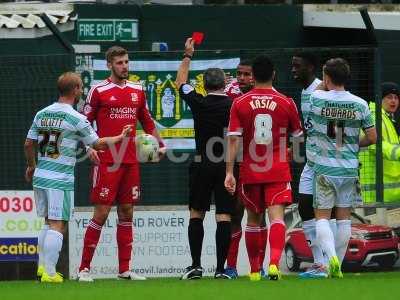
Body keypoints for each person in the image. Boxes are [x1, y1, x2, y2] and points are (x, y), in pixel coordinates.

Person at [24, 72, 133, 283]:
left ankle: (41, 269)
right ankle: (50, 272)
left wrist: (31, 166)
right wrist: (121, 136)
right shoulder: (77, 118)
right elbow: (98, 144)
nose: (82, 90)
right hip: (60, 178)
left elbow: (29, 143)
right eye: (80, 87)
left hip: (41, 175)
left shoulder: (41, 113)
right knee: (58, 224)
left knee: (48, 222)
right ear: (74, 89)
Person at [77, 46, 166, 282]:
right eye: (119, 63)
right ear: (109, 65)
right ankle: (84, 269)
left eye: (126, 62)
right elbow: (84, 124)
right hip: (107, 160)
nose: (124, 66)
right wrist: (89, 148)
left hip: (130, 161)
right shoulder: (98, 90)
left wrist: (161, 144)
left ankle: (124, 270)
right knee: (102, 213)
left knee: (127, 212)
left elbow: (146, 121)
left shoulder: (138, 90)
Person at [225, 54, 303, 281]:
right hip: (277, 168)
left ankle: (253, 270)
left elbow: (233, 139)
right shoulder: (287, 102)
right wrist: (289, 149)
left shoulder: (239, 103)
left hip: (250, 169)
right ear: (274, 75)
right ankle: (273, 264)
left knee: (253, 219)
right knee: (277, 217)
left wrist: (229, 172)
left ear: (253, 76)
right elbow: (298, 136)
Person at [309, 58, 376, 278]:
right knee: (344, 219)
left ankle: (331, 260)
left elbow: (319, 90)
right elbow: (372, 138)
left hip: (325, 168)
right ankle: (335, 266)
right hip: (349, 168)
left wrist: (324, 83)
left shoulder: (317, 98)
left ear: (327, 77)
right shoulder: (360, 104)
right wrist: (353, 144)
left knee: (321, 218)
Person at [176, 38, 235, 279]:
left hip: (202, 163)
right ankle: (221, 270)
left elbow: (180, 82)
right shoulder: (234, 105)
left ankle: (196, 266)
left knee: (196, 213)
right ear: (225, 83)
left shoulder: (199, 101)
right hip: (225, 165)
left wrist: (188, 55)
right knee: (224, 216)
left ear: (203, 85)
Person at [224, 59, 269, 279]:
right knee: (235, 214)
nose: (242, 78)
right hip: (239, 160)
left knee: (260, 216)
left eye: (247, 74)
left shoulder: (269, 95)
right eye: (239, 74)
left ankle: (259, 265)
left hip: (262, 164)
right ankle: (231, 266)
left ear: (256, 76)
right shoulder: (229, 94)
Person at [292, 53, 335, 278]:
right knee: (304, 206)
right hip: (311, 159)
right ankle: (320, 262)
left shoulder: (323, 89)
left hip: (327, 160)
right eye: (292, 66)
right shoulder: (304, 91)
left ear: (311, 66)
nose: (293, 70)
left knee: (327, 212)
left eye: (297, 66)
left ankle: (330, 261)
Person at [360, 82, 400, 203]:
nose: (393, 101)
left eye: (396, 97)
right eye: (389, 97)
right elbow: (375, 144)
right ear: (380, 99)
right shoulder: (374, 116)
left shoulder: (388, 118)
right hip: (376, 193)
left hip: (389, 190)